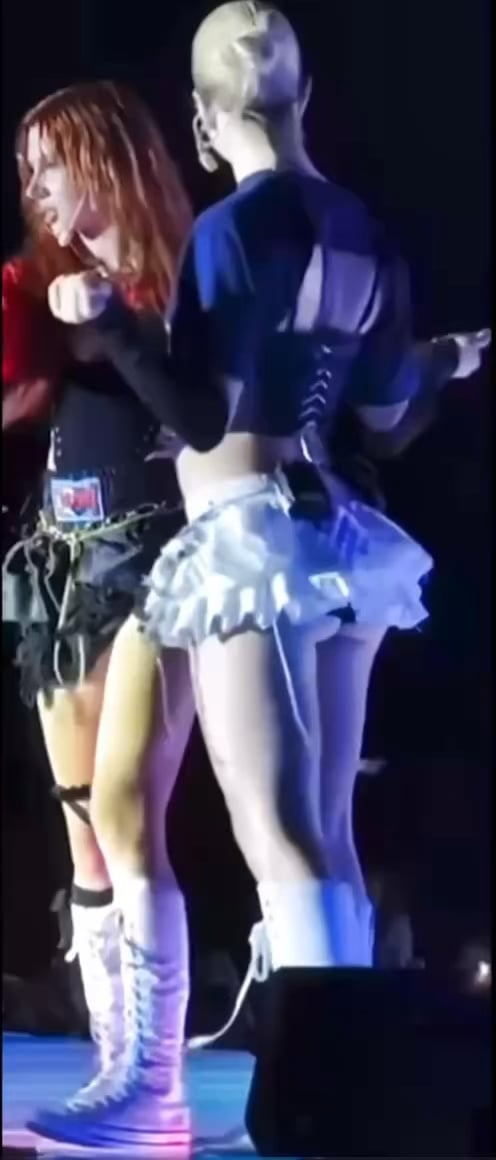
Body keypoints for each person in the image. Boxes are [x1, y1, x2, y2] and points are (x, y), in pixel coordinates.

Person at [2, 80, 227, 1151]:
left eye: (52, 163)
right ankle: (113, 1073)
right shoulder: (39, 286)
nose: (37, 188)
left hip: (156, 562)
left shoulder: (183, 283)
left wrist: (116, 324)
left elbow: (202, 415)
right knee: (84, 833)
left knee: (131, 813)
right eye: (28, 171)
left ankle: (155, 1084)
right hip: (59, 568)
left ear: (106, 160)